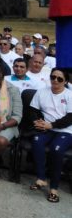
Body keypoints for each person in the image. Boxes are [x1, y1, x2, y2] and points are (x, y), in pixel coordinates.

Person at [29, 68, 72, 203]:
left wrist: (51, 125)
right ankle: (41, 178)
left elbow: (70, 118)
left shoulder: (69, 95)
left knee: (56, 150)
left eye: (59, 79)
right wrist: (37, 121)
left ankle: (54, 188)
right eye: (53, 77)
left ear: (65, 81)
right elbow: (32, 110)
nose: (55, 80)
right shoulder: (42, 92)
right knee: (36, 141)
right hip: (46, 127)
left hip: (66, 130)